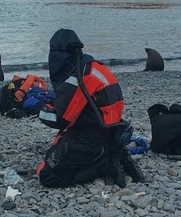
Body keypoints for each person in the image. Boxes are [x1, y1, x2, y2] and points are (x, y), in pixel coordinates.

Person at [35, 29, 144, 188]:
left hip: (92, 139)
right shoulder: (92, 66)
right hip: (111, 133)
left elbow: (60, 119)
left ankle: (100, 165)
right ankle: (109, 155)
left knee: (47, 176)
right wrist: (53, 97)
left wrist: (38, 107)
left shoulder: (80, 76)